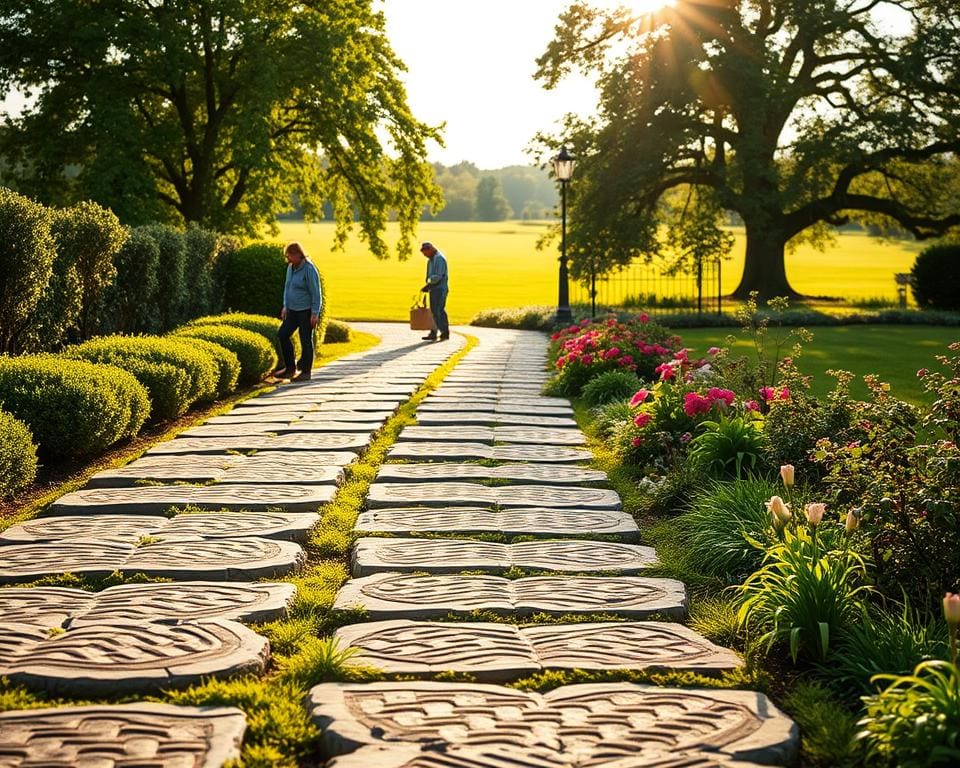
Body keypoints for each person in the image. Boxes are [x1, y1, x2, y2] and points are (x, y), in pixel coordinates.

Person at [275, 241, 322, 381]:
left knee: (305, 339)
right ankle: (290, 369)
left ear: (298, 254)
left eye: (289, 256)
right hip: (292, 311)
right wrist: (285, 306)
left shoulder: (309, 268)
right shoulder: (291, 267)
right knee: (282, 335)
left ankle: (306, 372)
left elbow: (316, 292)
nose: (287, 259)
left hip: (306, 311)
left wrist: (315, 313)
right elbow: (287, 287)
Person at [419, 241, 449, 341]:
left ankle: (444, 332)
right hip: (434, 288)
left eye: (425, 253)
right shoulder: (431, 259)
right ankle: (434, 331)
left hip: (439, 289)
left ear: (430, 249)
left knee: (438, 310)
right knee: (434, 311)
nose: (425, 255)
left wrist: (429, 284)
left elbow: (438, 276)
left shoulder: (439, 259)